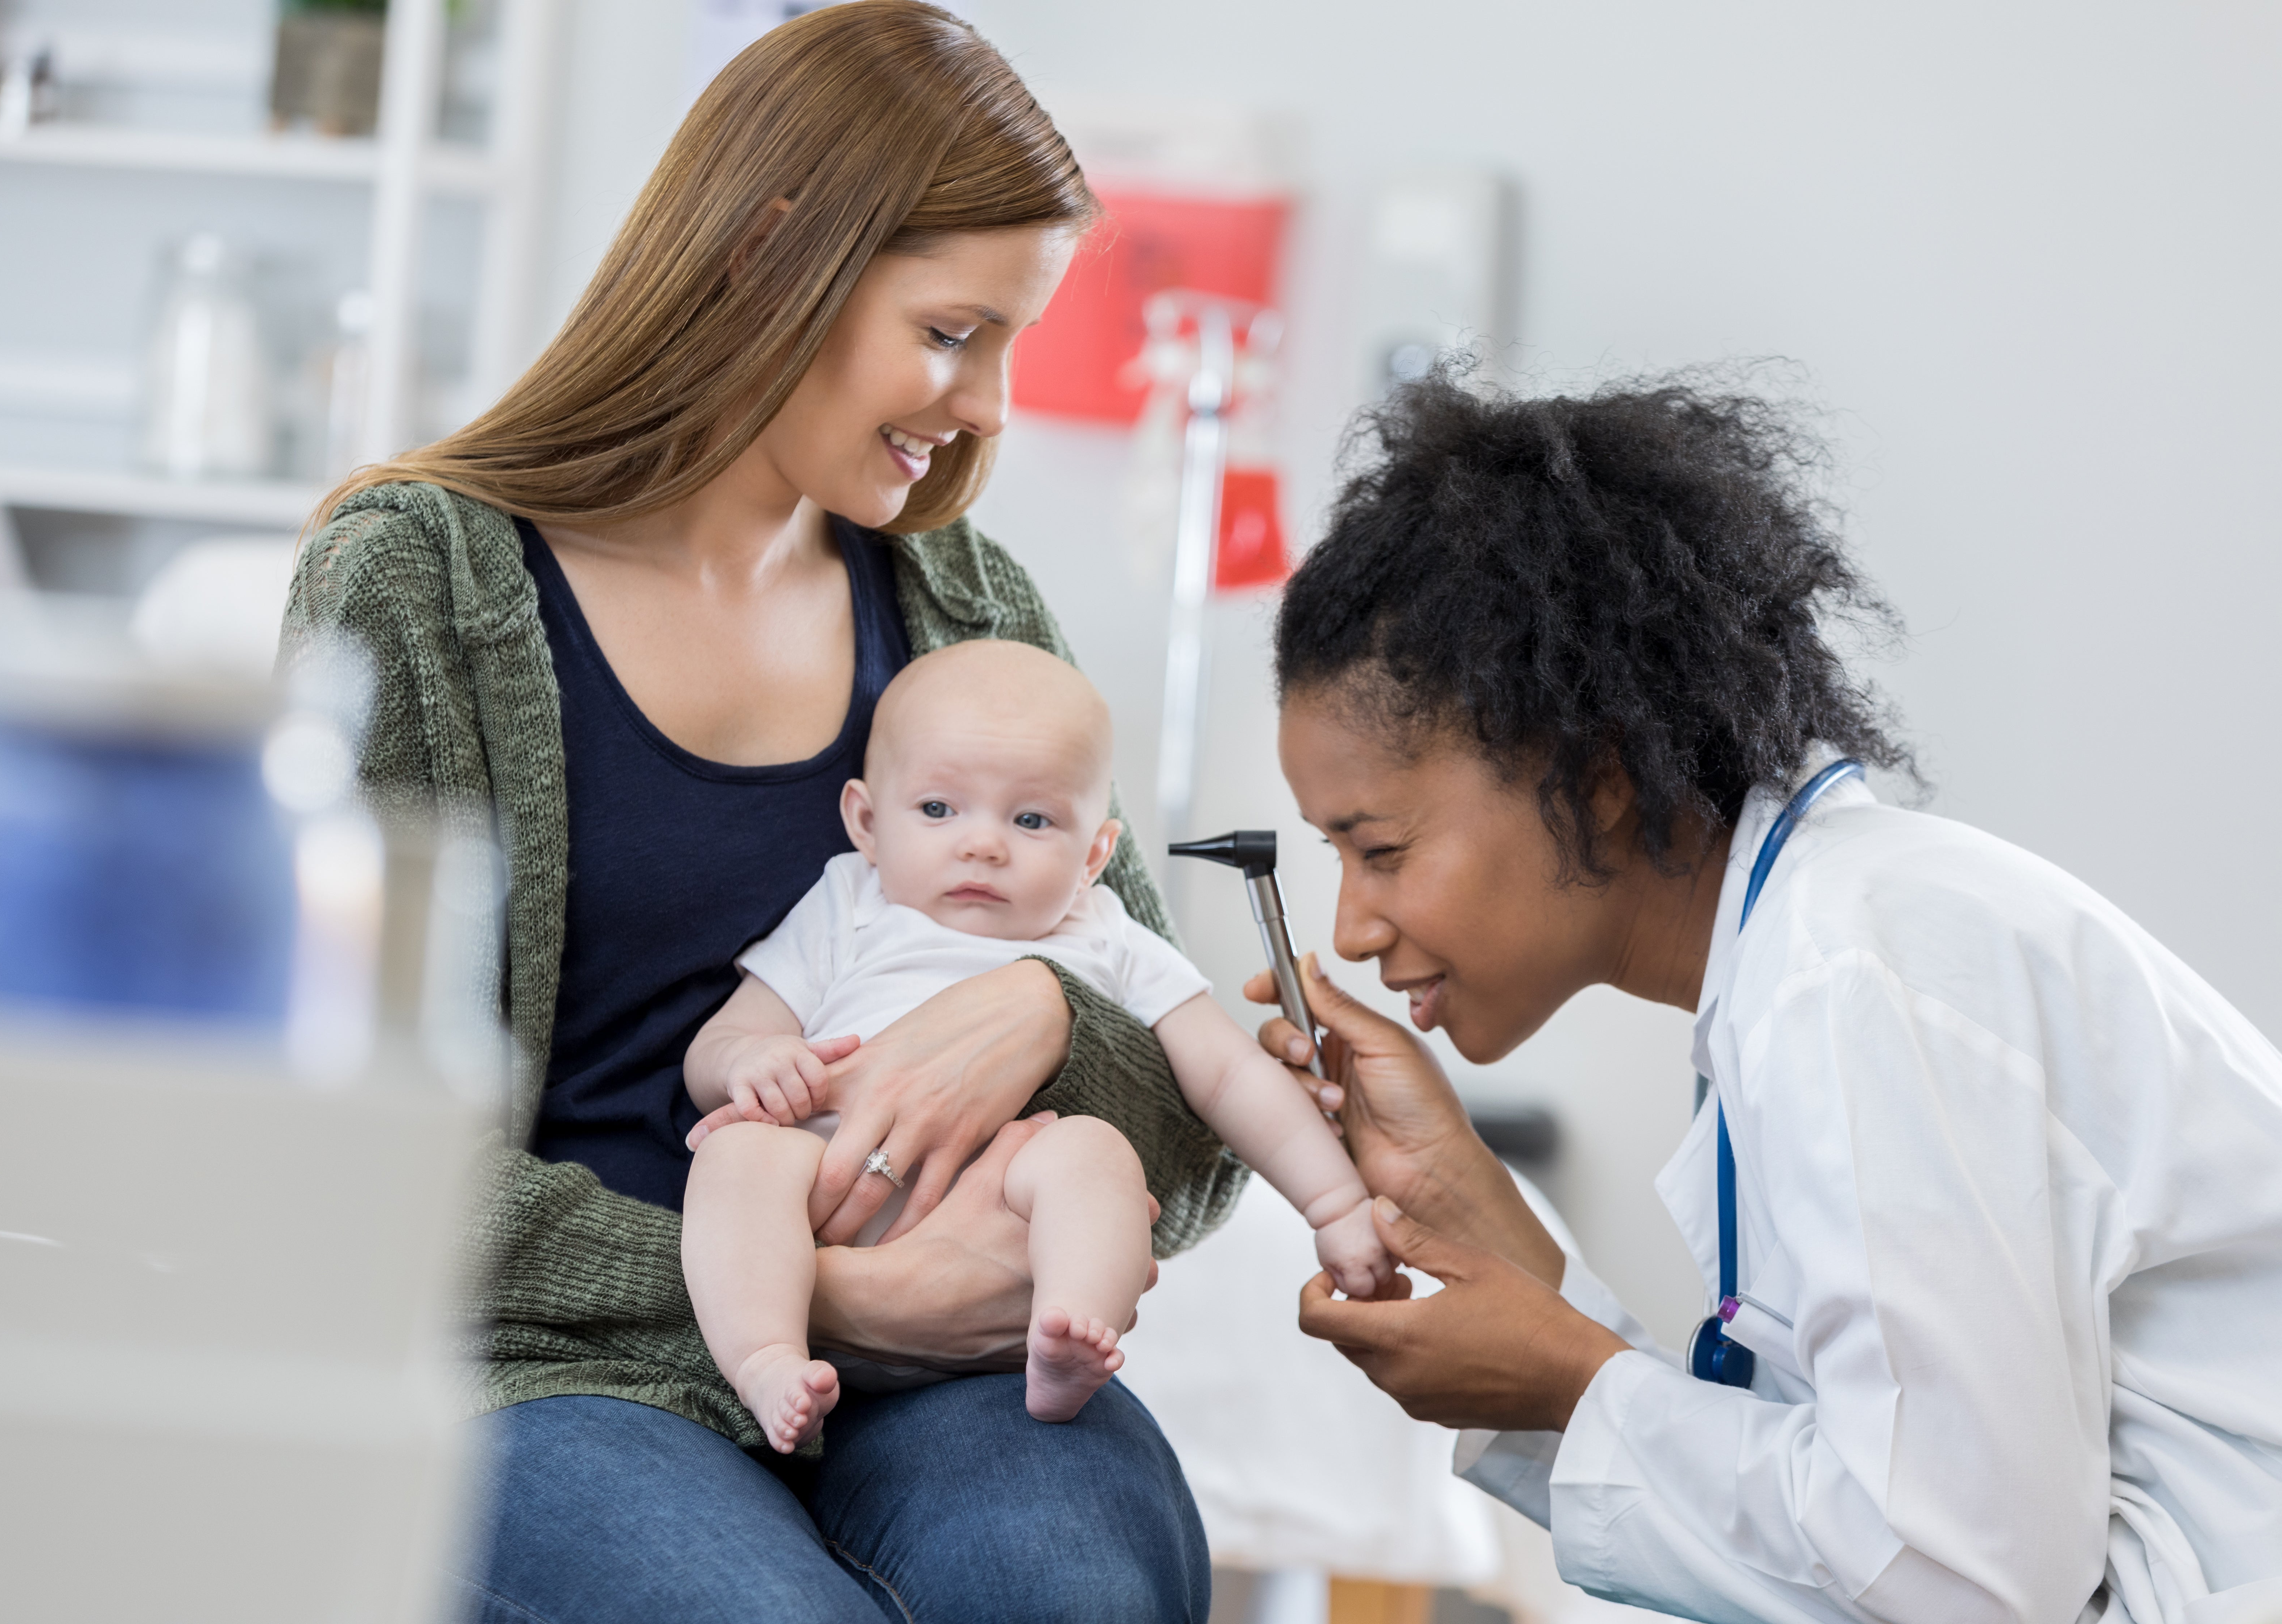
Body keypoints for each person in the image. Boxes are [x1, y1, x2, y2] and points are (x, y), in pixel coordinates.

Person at [281, 6, 1232, 1620]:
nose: (990, 404)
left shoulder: (965, 606)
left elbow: (1195, 1130)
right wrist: (834, 1300)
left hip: (936, 1375)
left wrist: (1038, 1013)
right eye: (954, 333)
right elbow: (348, 1163)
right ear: (773, 253)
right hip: (550, 1364)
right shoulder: (417, 580)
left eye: (1009, 343)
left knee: (1067, 1585)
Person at [1256, 371, 2282, 1623]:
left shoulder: (1853, 972)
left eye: (1381, 849)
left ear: (1596, 771)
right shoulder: (1812, 947)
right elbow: (1860, 1497)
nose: (1354, 930)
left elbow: (1965, 1585)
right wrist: (1476, 1219)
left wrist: (1579, 1385)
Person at [680, 640, 1388, 1448]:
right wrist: (750, 1062)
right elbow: (727, 1039)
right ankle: (766, 1356)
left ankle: (1067, 1332)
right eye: (939, 809)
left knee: (1092, 1155)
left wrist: (1337, 1205)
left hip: (1003, 1226)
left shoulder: (1108, 936)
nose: (984, 844)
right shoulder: (850, 903)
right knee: (736, 1158)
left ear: (1095, 855)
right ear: (868, 823)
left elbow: (1230, 1076)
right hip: (826, 1198)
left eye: (1031, 819)